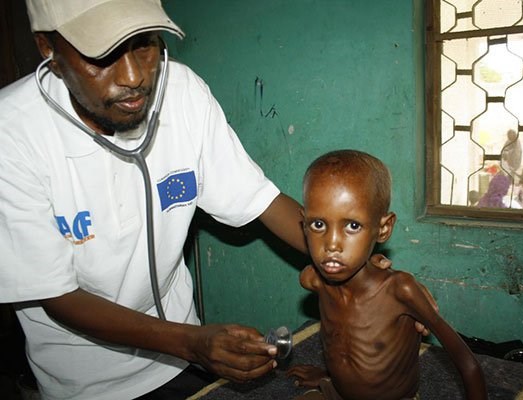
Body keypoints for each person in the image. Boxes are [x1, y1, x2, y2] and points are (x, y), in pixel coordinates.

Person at [0, 1, 424, 399]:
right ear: (49, 51)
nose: (133, 76)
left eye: (144, 44)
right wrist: (192, 343)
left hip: (180, 355)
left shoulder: (183, 92)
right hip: (87, 378)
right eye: (100, 55)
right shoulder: (12, 133)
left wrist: (370, 278)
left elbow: (260, 200)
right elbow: (57, 295)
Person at [286, 150, 487, 400]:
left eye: (352, 226)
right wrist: (327, 377)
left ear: (383, 228)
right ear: (304, 225)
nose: (332, 244)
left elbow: (468, 364)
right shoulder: (315, 280)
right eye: (318, 225)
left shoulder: (398, 290)